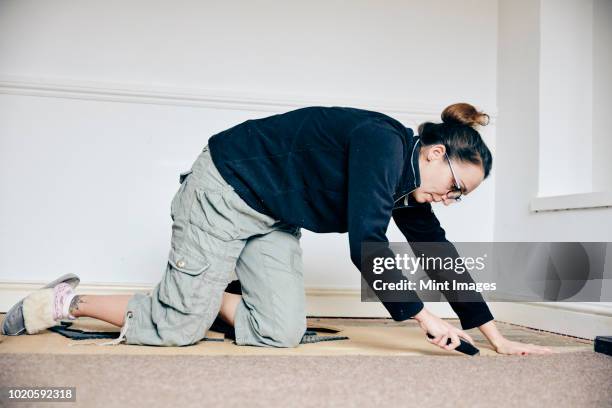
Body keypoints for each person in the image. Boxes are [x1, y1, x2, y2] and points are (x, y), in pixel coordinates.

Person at [3, 103, 552, 355]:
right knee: (177, 327)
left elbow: (437, 250)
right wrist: (422, 317)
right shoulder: (383, 145)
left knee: (278, 332)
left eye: (461, 198)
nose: (450, 200)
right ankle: (67, 302)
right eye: (456, 186)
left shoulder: (408, 182)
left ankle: (208, 291)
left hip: (271, 215)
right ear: (435, 152)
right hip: (225, 188)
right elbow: (367, 243)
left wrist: (493, 333)